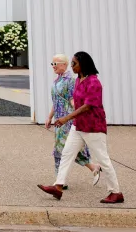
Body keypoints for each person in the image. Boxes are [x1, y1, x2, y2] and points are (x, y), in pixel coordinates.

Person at [38, 51, 124, 204]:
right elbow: (74, 102)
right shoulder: (78, 80)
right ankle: (58, 187)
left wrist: (66, 118)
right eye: (71, 63)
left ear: (83, 64)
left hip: (93, 127)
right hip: (78, 126)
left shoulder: (94, 82)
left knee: (103, 159)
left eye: (74, 63)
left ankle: (116, 192)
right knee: (66, 154)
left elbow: (88, 106)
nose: (72, 66)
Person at [46, 54, 101, 187]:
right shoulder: (57, 80)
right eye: (52, 64)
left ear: (64, 64)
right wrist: (49, 117)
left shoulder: (70, 80)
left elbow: (74, 99)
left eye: (55, 64)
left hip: (67, 119)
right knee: (63, 149)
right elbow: (57, 101)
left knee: (63, 148)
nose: (53, 67)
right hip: (60, 119)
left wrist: (75, 116)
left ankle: (59, 182)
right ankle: (91, 168)